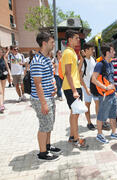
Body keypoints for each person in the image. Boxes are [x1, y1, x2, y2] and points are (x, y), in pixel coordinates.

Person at [30, 31, 62, 161]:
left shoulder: (46, 58)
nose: (54, 44)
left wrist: (53, 86)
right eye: (52, 42)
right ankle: (42, 153)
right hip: (41, 99)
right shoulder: (37, 60)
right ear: (44, 43)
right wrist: (43, 103)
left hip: (49, 97)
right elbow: (38, 84)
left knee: (49, 123)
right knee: (44, 125)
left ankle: (47, 146)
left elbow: (48, 77)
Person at [92, 43, 117, 144]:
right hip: (104, 94)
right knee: (102, 115)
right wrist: (105, 87)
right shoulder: (100, 64)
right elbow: (94, 79)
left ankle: (114, 132)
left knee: (113, 114)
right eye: (113, 51)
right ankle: (99, 134)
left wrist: (113, 90)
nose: (114, 52)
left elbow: (110, 78)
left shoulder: (110, 63)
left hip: (112, 93)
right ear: (107, 52)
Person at [62, 29, 88, 149]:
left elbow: (76, 71)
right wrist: (74, 90)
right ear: (70, 39)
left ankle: (72, 136)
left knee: (74, 113)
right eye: (76, 38)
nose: (79, 40)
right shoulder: (67, 52)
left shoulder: (72, 52)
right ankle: (76, 139)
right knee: (75, 113)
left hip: (75, 85)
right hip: (71, 87)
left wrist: (82, 58)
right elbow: (67, 73)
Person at [78, 43, 98, 130]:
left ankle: (99, 121)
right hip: (86, 86)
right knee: (87, 105)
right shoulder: (82, 62)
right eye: (91, 49)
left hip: (94, 86)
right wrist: (86, 89)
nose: (93, 51)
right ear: (86, 51)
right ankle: (89, 122)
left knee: (98, 103)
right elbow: (79, 77)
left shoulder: (93, 60)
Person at [0, 46, 12, 113]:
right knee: (0, 91)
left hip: (3, 76)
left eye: (1, 52)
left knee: (3, 91)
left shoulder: (4, 58)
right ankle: (1, 105)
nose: (0, 53)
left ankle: (2, 104)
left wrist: (10, 75)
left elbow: (7, 67)